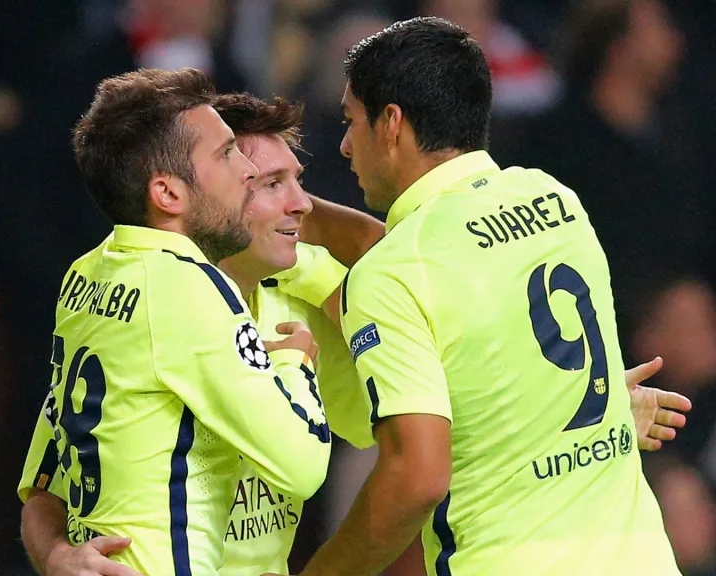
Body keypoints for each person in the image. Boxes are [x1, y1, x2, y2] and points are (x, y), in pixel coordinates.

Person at [18, 88, 690, 576]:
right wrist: (55, 553)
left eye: (295, 181)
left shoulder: (306, 290)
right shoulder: (169, 300)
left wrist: (573, 401)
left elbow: (426, 309)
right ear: (189, 197)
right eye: (258, 178)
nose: (300, 204)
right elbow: (46, 479)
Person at [286, 17, 685, 576]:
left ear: (392, 123)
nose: (347, 145)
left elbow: (417, 476)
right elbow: (495, 344)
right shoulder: (556, 202)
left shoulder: (394, 273)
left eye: (353, 120)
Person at [15, 68, 331, 576]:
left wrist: (56, 555)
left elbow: (42, 481)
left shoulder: (88, 274)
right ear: (168, 194)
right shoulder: (188, 287)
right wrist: (295, 362)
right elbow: (303, 464)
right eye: (227, 154)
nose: (246, 171)